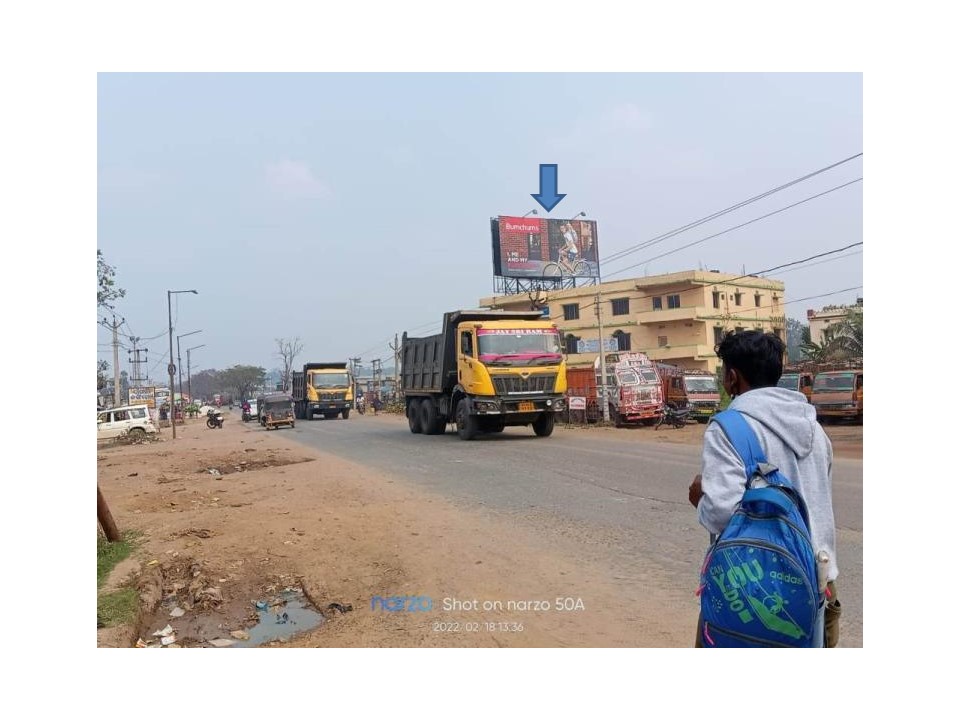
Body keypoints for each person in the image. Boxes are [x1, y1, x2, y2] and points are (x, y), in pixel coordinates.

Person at [687, 330, 840, 647]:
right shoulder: (815, 429)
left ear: (731, 377)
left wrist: (700, 497)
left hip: (757, 584)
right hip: (819, 581)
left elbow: (719, 514)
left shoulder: (728, 427)